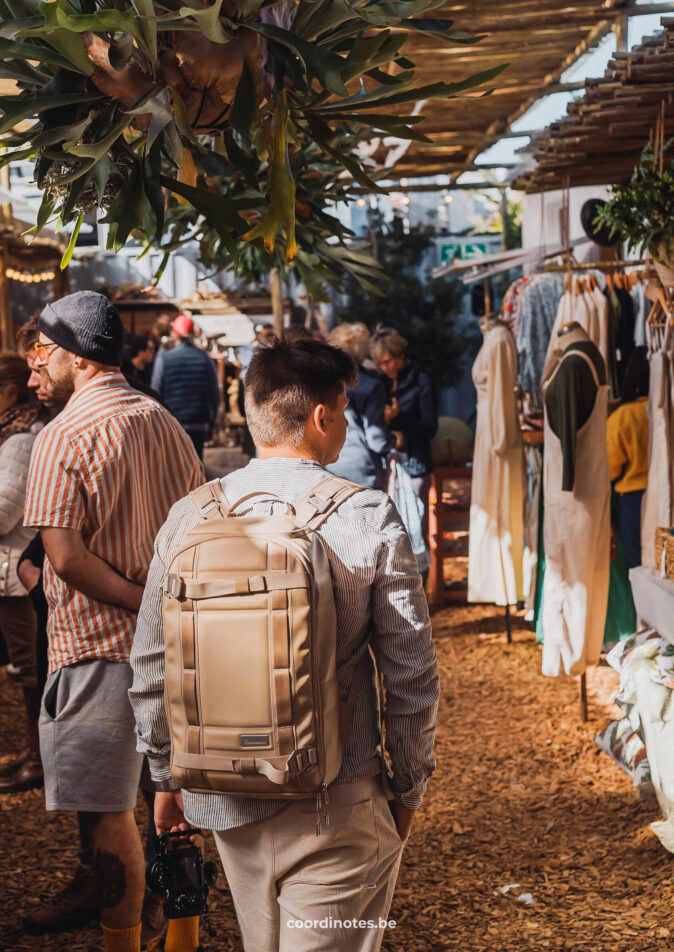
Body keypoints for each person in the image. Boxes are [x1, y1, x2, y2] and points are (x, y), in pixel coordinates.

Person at [130, 336, 439, 952]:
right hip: (339, 802)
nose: (348, 421)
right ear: (321, 417)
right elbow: (410, 675)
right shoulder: (367, 515)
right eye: (345, 408)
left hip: (224, 793)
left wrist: (167, 778)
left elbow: (150, 666)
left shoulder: (191, 516)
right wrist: (407, 790)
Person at [23, 291, 204, 952]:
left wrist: (137, 600)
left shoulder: (63, 434)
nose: (36, 365)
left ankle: (123, 946)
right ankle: (182, 940)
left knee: (109, 820)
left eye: (41, 351)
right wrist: (162, 608)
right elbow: (198, 535)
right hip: (177, 651)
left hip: (98, 653)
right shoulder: (164, 423)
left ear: (73, 354)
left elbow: (64, 558)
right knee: (176, 805)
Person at [0, 353, 45, 794]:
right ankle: (33, 753)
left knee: (30, 669)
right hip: (12, 569)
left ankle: (38, 757)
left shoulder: (19, 440)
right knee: (25, 667)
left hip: (16, 571)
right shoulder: (13, 433)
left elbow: (5, 510)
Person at [370, 328, 438, 548]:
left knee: (417, 526)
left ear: (400, 356)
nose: (384, 367)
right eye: (379, 363)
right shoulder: (378, 383)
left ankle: (422, 577)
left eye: (388, 361)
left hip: (415, 463)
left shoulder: (421, 381)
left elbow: (430, 428)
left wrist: (401, 418)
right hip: (385, 464)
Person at [328, 322, 394, 489]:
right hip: (363, 472)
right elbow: (377, 440)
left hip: (327, 468)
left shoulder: (323, 383)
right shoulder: (371, 385)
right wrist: (394, 439)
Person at [151, 314, 219, 459]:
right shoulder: (205, 359)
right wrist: (211, 424)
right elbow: (215, 395)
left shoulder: (164, 359)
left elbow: (155, 393)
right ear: (192, 335)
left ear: (174, 333)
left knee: (174, 466)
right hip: (199, 423)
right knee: (197, 462)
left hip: (173, 423)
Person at [606, 346, 650, 568]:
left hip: (633, 500)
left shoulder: (623, 417)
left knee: (637, 569)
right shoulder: (671, 411)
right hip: (670, 497)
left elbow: (610, 468)